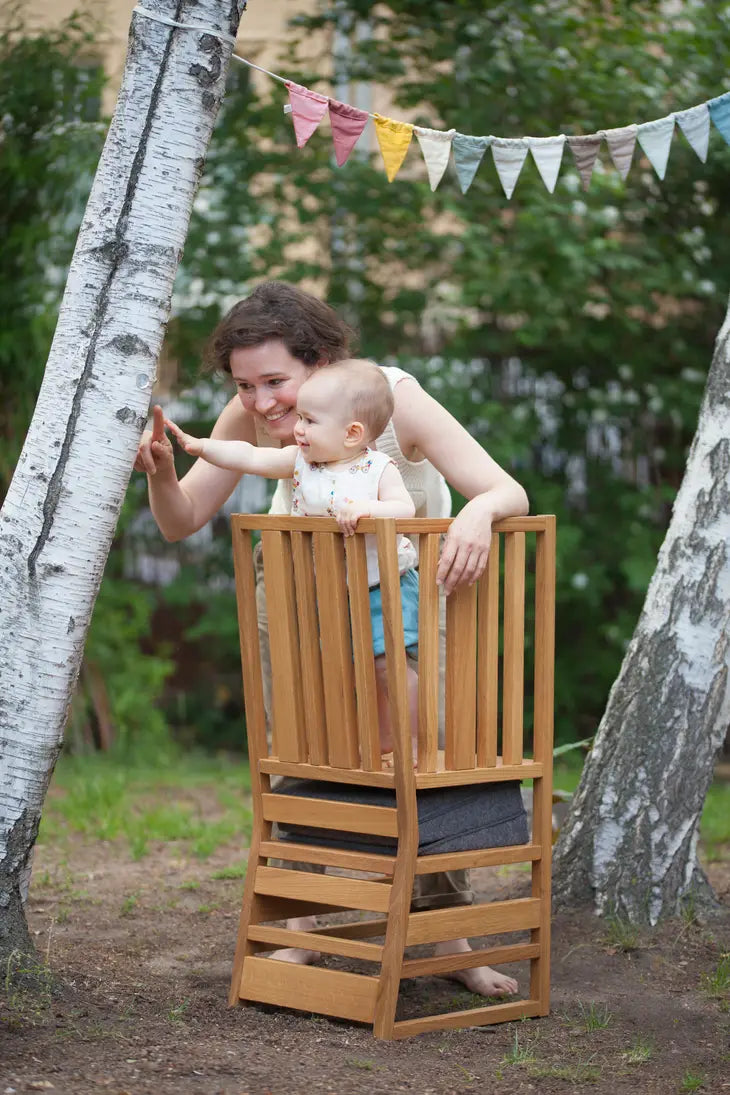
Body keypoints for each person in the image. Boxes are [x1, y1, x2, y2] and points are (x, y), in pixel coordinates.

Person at [135, 281, 528, 996]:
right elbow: (181, 517)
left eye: (275, 382)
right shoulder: (254, 410)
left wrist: (479, 516)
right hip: (295, 597)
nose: (260, 404)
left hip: (397, 606)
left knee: (416, 761)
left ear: (319, 361)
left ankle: (450, 940)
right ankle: (302, 931)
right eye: (245, 386)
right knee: (306, 754)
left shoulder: (390, 395)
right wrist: (164, 471)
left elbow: (506, 490)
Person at [165, 358, 421, 764]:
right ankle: (375, 745)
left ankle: (408, 745)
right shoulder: (300, 463)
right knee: (352, 671)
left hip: (381, 586)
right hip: (332, 591)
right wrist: (201, 447)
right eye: (300, 417)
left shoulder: (375, 467)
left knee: (388, 668)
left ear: (352, 433)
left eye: (309, 420)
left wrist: (367, 510)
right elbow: (249, 456)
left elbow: (403, 509)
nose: (297, 429)